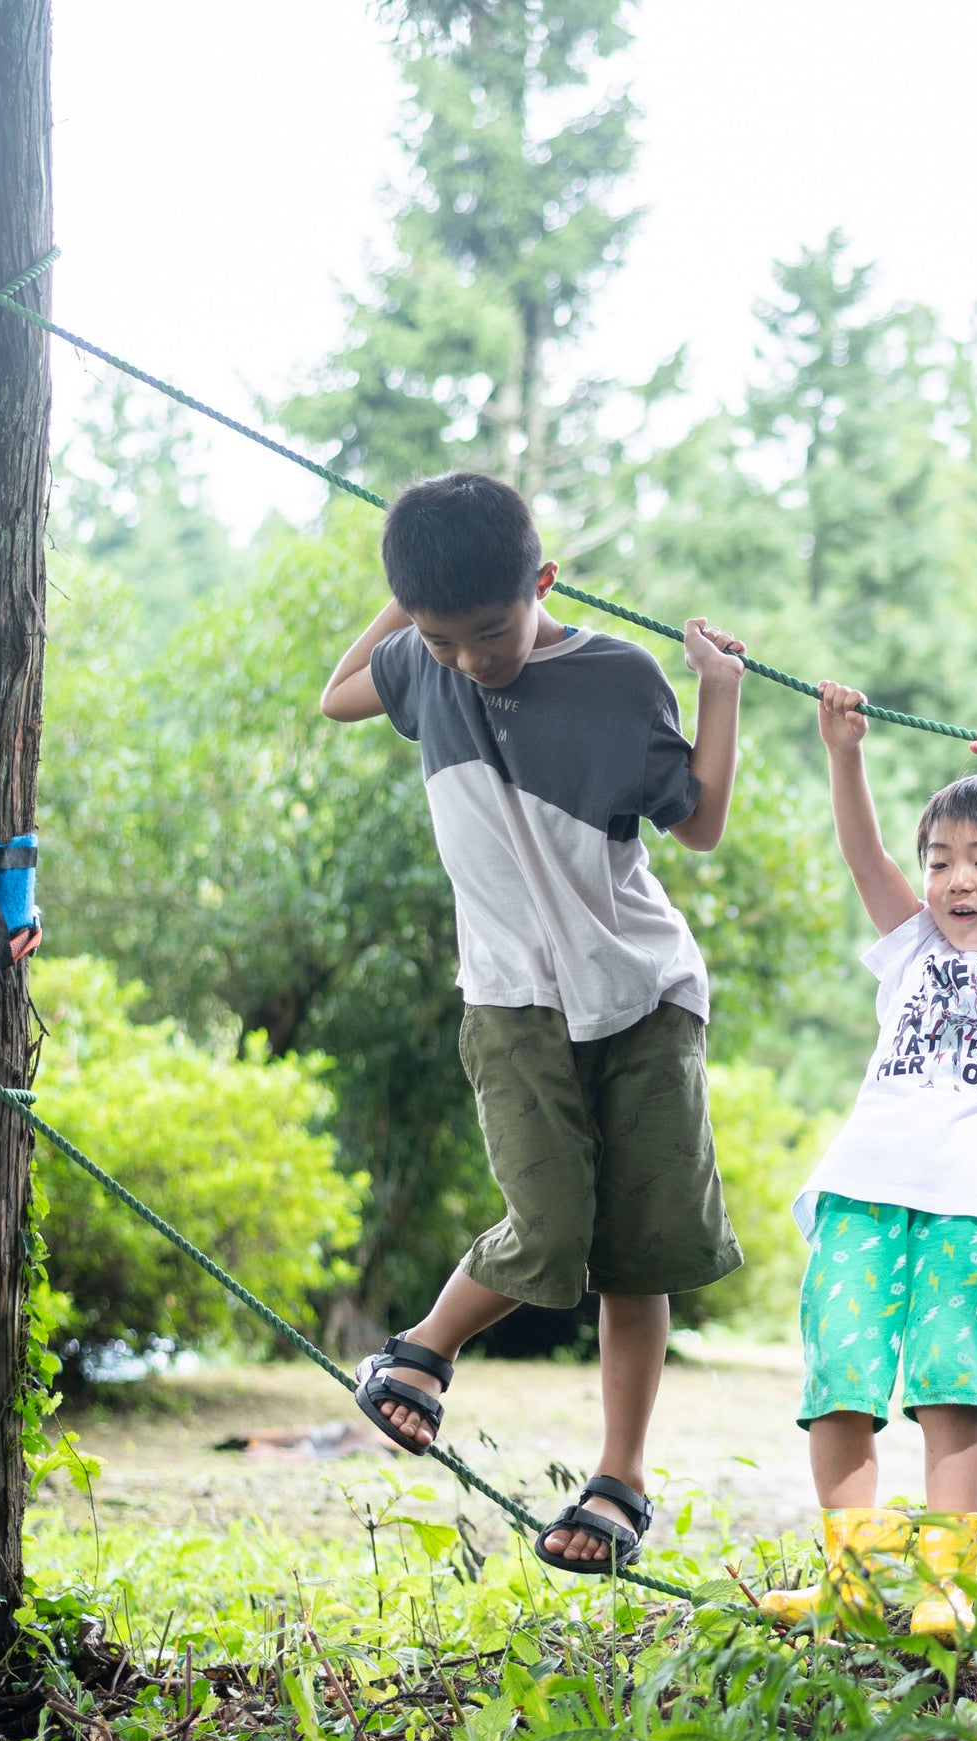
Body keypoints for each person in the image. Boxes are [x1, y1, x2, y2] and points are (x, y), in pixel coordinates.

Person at [320, 470, 751, 1574]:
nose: (468, 659)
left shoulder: (615, 676)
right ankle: (420, 1351)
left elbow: (696, 824)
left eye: (488, 630)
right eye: (439, 636)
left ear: (543, 582)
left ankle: (620, 1478)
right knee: (550, 1222)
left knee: (634, 1251)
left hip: (644, 994)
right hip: (511, 999)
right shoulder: (425, 664)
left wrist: (720, 690)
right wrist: (408, 592)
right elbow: (337, 693)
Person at [757, 681, 977, 1639]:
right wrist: (844, 753)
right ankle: (854, 1581)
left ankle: (945, 1582)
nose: (957, 877)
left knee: (952, 1388)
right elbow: (865, 857)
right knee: (842, 1386)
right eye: (942, 859)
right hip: (860, 1192)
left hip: (972, 1205)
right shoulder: (913, 950)